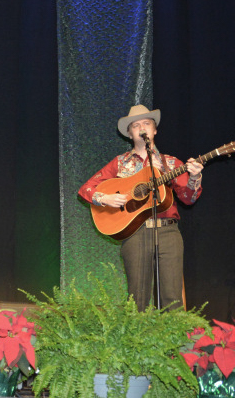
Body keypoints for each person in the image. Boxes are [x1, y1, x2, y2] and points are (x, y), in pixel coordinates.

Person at [79, 105, 203, 311]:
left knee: (172, 298)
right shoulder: (120, 163)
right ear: (130, 134)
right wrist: (106, 198)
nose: (142, 128)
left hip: (168, 232)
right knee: (137, 298)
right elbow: (86, 189)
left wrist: (195, 176)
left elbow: (189, 199)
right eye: (136, 125)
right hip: (135, 233)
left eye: (147, 123)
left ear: (155, 130)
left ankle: (173, 332)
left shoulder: (171, 163)